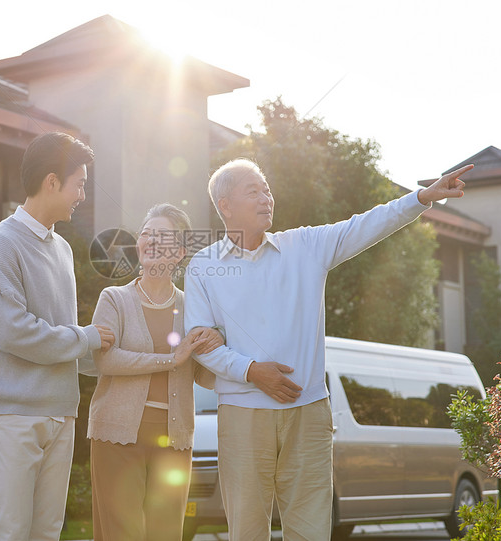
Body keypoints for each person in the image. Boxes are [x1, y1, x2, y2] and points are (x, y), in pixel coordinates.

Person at [183, 158, 474, 540]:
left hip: (308, 411)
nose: (266, 197)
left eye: (267, 189)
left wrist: (421, 198)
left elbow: (366, 225)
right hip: (242, 413)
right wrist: (253, 371)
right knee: (247, 529)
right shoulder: (204, 266)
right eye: (253, 191)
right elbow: (200, 343)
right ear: (225, 205)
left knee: (311, 527)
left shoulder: (304, 245)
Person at [0, 131, 114, 541]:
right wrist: (86, 339)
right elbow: (13, 332)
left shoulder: (62, 250)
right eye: (80, 184)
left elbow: (62, 335)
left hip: (61, 412)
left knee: (47, 533)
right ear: (52, 181)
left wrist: (109, 358)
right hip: (12, 416)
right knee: (10, 532)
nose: (82, 195)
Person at [85, 203, 222, 541]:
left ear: (178, 252)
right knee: (121, 534)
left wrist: (218, 338)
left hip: (174, 439)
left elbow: (207, 376)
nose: (148, 240)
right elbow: (106, 360)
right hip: (116, 434)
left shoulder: (194, 307)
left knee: (166, 534)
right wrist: (170, 360)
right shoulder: (114, 299)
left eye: (160, 235)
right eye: (145, 233)